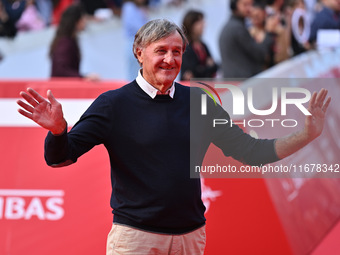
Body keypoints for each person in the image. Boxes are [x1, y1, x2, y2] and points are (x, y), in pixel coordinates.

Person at [17, 19, 331, 254]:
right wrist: (59, 130)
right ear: (139, 53)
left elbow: (252, 152)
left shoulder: (198, 102)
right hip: (136, 240)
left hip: (190, 238)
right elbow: (59, 158)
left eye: (177, 51)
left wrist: (306, 134)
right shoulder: (113, 105)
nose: (170, 60)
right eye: (161, 51)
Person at [219, 0, 279, 78]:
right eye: (245, 5)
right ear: (234, 5)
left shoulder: (232, 26)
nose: (249, 9)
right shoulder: (237, 29)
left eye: (250, 5)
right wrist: (269, 33)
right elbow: (259, 54)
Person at [49, 3, 99, 80]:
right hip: (61, 87)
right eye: (83, 18)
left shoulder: (67, 40)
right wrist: (84, 77)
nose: (85, 21)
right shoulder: (65, 43)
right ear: (76, 21)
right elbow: (60, 70)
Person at [180, 10, 218, 80]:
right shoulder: (185, 47)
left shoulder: (203, 45)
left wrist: (204, 69)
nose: (203, 25)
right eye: (200, 22)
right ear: (191, 25)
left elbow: (215, 67)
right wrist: (208, 67)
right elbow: (192, 72)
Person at [121, 0, 148, 81]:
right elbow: (139, 27)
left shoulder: (138, 8)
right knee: (133, 73)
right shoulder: (129, 7)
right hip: (133, 42)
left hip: (141, 43)